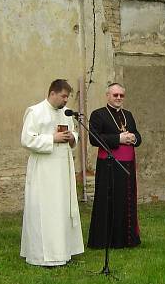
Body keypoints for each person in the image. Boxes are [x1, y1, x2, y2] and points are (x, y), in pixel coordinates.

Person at [20, 79, 84, 267]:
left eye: (68, 97)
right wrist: (52, 138)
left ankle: (63, 250)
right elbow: (26, 140)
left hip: (63, 168)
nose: (66, 100)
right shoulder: (35, 112)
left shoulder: (65, 114)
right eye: (63, 96)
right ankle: (41, 255)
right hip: (44, 170)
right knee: (45, 209)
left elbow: (74, 133)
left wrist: (73, 137)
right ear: (53, 93)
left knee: (62, 208)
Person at [87, 82, 142, 249]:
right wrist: (119, 139)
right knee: (108, 201)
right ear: (108, 96)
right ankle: (106, 240)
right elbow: (93, 138)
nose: (118, 98)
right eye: (115, 95)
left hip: (128, 167)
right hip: (108, 166)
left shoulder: (128, 114)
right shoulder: (98, 115)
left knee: (127, 201)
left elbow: (138, 136)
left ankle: (127, 240)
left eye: (121, 95)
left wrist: (134, 138)